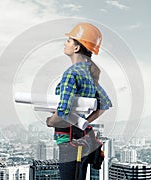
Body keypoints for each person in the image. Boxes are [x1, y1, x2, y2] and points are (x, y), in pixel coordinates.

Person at [46, 22, 112, 180]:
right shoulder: (89, 74)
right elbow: (104, 104)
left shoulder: (71, 74)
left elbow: (62, 111)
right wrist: (83, 122)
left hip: (69, 143)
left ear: (76, 48)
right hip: (82, 141)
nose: (65, 43)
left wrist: (50, 121)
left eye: (69, 40)